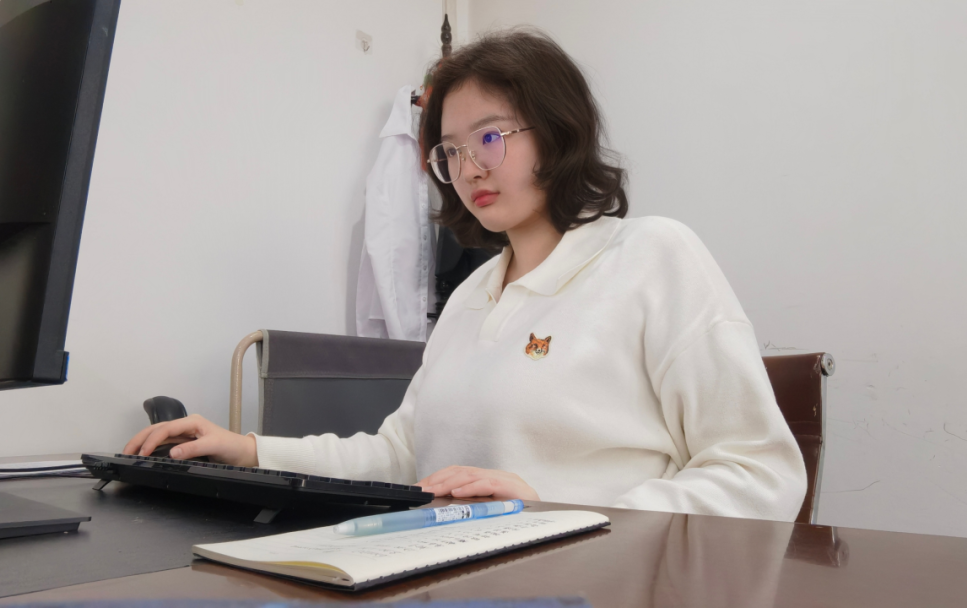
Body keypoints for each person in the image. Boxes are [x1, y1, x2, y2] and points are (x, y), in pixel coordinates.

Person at [125, 30, 807, 522]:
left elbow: (759, 475)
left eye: (490, 137)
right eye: (450, 151)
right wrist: (247, 450)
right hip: (458, 575)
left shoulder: (651, 256)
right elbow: (400, 456)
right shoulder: (471, 299)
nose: (469, 168)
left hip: (601, 581)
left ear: (557, 131)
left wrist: (559, 512)